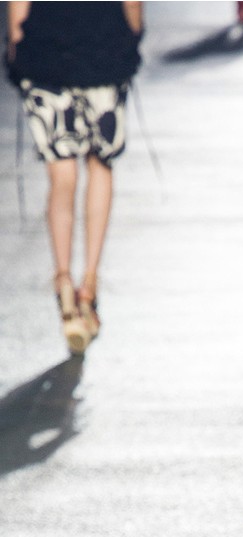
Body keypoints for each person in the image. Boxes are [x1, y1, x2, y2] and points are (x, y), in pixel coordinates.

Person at [6, 1, 143, 353]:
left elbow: (19, 9)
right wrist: (132, 33)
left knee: (61, 174)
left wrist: (17, 44)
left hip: (45, 54)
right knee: (100, 165)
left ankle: (64, 284)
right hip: (104, 47)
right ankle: (89, 288)